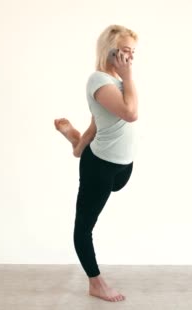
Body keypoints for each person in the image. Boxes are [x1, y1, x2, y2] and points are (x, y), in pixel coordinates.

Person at [54, 24, 138, 302]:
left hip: (121, 167)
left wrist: (80, 144)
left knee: (91, 136)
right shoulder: (99, 80)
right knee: (84, 227)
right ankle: (95, 282)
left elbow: (97, 122)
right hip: (100, 165)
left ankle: (76, 143)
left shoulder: (116, 82)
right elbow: (130, 113)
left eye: (133, 53)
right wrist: (127, 76)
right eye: (126, 51)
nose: (131, 58)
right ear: (110, 51)